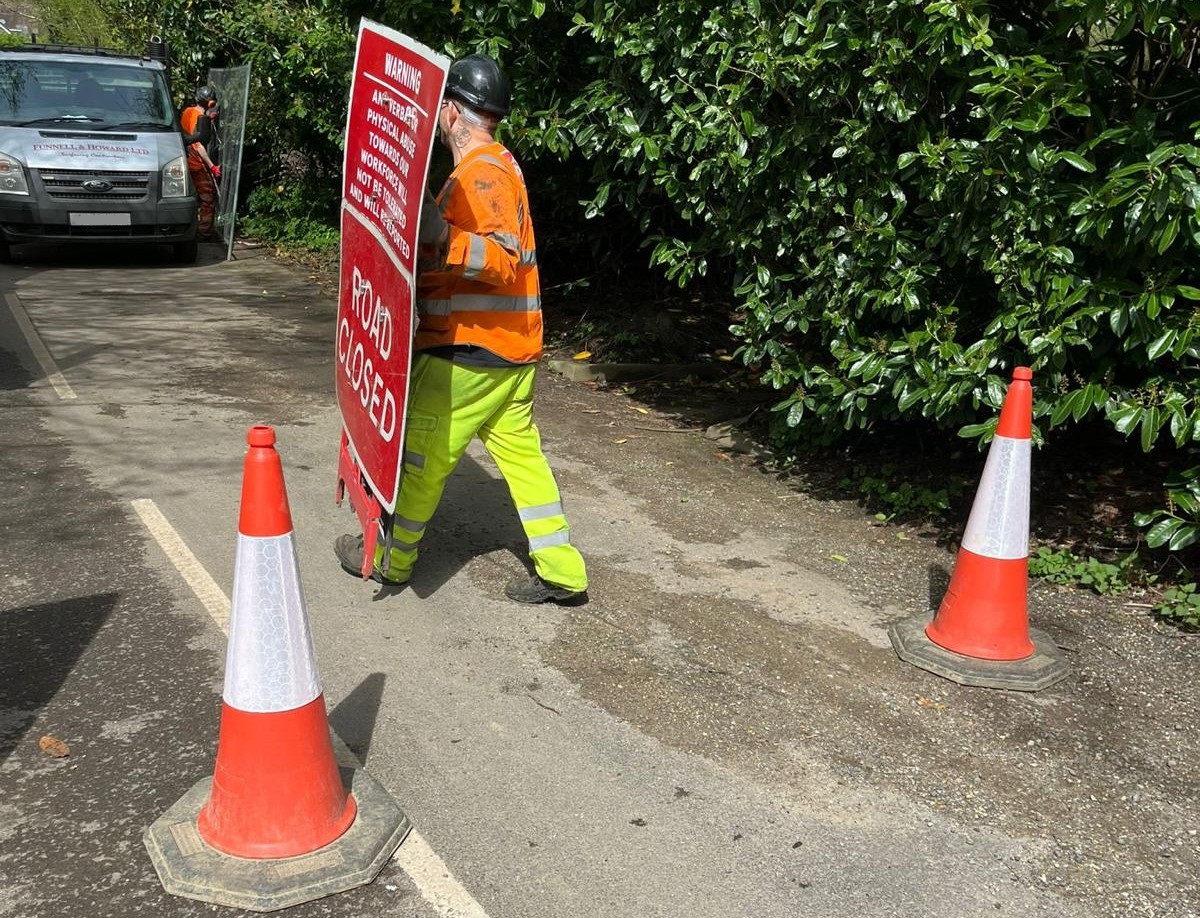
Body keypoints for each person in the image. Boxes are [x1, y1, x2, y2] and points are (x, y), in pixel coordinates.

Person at [334, 53, 588, 605]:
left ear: (451, 112)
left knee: (420, 460)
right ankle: (563, 570)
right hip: (511, 353)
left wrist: (437, 237)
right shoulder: (499, 166)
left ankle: (388, 562)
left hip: (470, 352)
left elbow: (501, 261)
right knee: (524, 463)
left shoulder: (480, 175)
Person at [179, 84, 221, 240]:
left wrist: (208, 119)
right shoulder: (198, 117)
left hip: (185, 159)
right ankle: (204, 233)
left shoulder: (188, 112)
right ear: (211, 102)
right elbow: (198, 145)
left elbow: (191, 127)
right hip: (195, 161)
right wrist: (212, 166)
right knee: (207, 197)